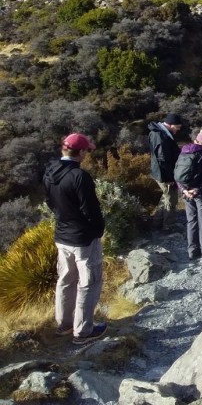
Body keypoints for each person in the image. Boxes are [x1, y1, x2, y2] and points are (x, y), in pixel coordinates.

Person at [43, 133, 107, 345]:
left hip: (62, 235)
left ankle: (64, 324)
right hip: (83, 239)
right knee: (88, 283)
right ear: (80, 152)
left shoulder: (50, 171)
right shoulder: (79, 176)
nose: (87, 154)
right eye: (86, 150)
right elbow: (91, 209)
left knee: (65, 280)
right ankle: (83, 331)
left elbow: (50, 203)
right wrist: (98, 231)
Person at [176, 129, 202, 260]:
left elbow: (177, 173)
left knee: (191, 221)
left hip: (186, 193)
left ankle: (192, 252)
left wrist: (184, 190)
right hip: (201, 193)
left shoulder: (184, 151)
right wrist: (197, 189)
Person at [148, 113, 183, 230]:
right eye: (177, 127)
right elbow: (163, 159)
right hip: (164, 174)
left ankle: (157, 223)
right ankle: (169, 226)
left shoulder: (160, 133)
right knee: (171, 199)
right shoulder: (160, 136)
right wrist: (169, 178)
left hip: (160, 172)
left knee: (165, 197)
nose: (178, 130)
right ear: (171, 124)